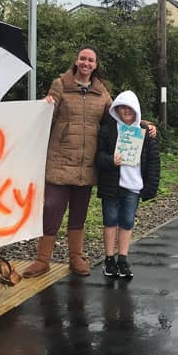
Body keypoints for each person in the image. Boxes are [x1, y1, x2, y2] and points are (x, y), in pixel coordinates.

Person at [23, 46, 113, 278]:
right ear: (76, 61)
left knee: (79, 213)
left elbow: (116, 118)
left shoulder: (102, 92)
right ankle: (42, 259)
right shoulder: (60, 84)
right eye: (83, 58)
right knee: (52, 209)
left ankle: (76, 257)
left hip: (86, 163)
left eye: (90, 60)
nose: (86, 63)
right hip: (60, 160)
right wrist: (44, 107)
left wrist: (142, 123)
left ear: (95, 65)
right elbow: (46, 119)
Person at [95, 90, 161, 280]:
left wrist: (150, 187)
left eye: (130, 108)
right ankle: (109, 258)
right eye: (122, 107)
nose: (126, 111)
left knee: (127, 222)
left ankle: (122, 258)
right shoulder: (108, 130)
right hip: (111, 184)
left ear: (136, 110)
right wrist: (110, 161)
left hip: (133, 186)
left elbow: (154, 161)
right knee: (110, 220)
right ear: (116, 109)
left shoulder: (145, 132)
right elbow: (98, 156)